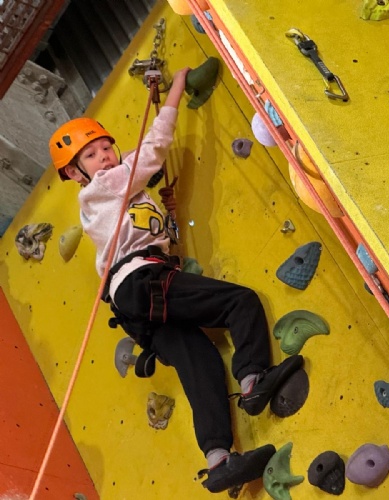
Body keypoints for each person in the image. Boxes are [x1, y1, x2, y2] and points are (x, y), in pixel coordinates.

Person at [48, 67, 304, 493]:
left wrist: (164, 214)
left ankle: (219, 459)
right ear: (76, 173)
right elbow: (153, 149)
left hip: (136, 304)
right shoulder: (103, 187)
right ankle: (254, 380)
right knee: (239, 302)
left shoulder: (116, 194)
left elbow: (146, 219)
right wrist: (175, 90)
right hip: (141, 282)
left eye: (106, 147)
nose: (104, 156)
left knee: (200, 363)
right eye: (90, 155)